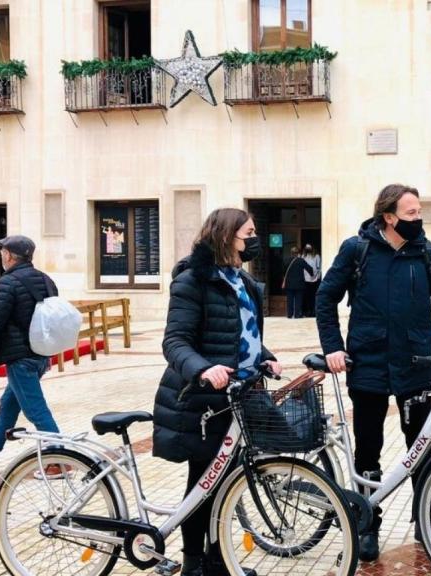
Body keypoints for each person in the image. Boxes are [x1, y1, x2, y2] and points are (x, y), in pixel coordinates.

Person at [315, 184, 431, 562]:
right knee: (368, 449)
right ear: (388, 217)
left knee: (420, 448)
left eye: (419, 211)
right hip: (368, 365)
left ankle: (427, 522)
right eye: (410, 213)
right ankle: (368, 524)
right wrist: (333, 348)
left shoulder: (427, 254)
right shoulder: (356, 250)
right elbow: (325, 298)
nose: (418, 218)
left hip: (415, 365)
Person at [153, 208, 281, 576]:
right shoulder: (192, 281)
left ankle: (216, 558)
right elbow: (175, 342)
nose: (254, 240)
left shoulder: (243, 281)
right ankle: (196, 562)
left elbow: (242, 335)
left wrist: (265, 358)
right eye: (249, 233)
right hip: (201, 400)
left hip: (237, 396)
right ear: (226, 237)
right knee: (203, 484)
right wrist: (204, 369)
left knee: (223, 483)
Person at [0, 236, 63, 477]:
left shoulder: (8, 283)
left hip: (21, 359)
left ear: (9, 255)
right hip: (40, 356)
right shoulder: (46, 280)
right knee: (8, 406)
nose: (1, 256)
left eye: (3, 252)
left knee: (36, 410)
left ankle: (59, 459)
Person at [282, 246, 311, 319]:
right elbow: (309, 268)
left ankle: (289, 314)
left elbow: (282, 271)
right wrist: (312, 275)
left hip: (289, 284)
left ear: (291, 253)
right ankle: (297, 315)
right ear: (298, 253)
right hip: (299, 283)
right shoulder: (301, 260)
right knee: (298, 299)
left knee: (290, 299)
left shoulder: (286, 260)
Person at [302, 244, 322, 318]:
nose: (308, 249)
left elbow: (318, 267)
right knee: (307, 297)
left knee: (314, 296)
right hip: (305, 280)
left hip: (315, 280)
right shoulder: (303, 256)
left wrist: (316, 276)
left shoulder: (317, 256)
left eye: (309, 248)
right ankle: (307, 312)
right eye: (307, 248)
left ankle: (314, 312)